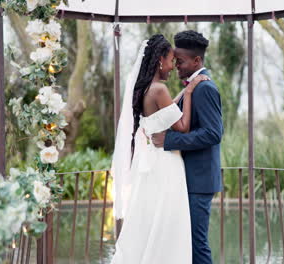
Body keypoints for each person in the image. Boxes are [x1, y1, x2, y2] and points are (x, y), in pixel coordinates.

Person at [110, 34, 209, 264]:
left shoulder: (146, 89)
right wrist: (191, 92)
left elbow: (165, 112)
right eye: (170, 60)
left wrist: (184, 92)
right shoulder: (160, 90)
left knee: (152, 217)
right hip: (166, 163)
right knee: (169, 221)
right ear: (159, 61)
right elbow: (182, 126)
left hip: (152, 160)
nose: (173, 65)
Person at [152, 30, 224, 264]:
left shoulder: (205, 88)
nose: (176, 66)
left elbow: (213, 134)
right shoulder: (193, 87)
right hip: (188, 178)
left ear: (197, 61)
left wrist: (169, 141)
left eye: (180, 61)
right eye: (174, 60)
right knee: (186, 242)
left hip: (199, 180)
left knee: (196, 243)